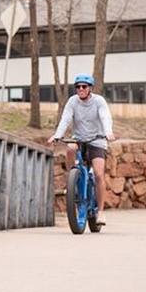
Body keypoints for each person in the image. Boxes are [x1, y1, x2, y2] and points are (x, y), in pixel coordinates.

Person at [48, 74, 116, 225]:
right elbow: (66, 118)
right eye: (78, 87)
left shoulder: (98, 101)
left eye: (84, 86)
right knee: (70, 149)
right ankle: (73, 178)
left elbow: (105, 117)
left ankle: (101, 212)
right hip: (79, 138)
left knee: (98, 174)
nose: (80, 89)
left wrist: (108, 131)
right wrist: (57, 135)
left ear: (90, 88)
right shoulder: (73, 101)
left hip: (97, 140)